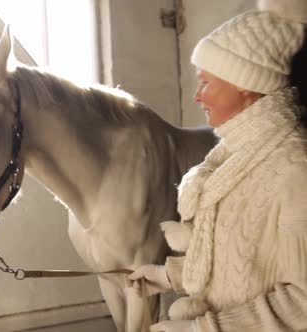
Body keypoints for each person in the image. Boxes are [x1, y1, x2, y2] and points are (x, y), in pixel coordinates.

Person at [128, 0, 307, 331]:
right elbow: (238, 259)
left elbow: (303, 300)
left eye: (206, 82)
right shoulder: (232, 157)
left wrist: (202, 329)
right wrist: (168, 275)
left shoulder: (295, 167)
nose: (197, 96)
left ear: (245, 84)